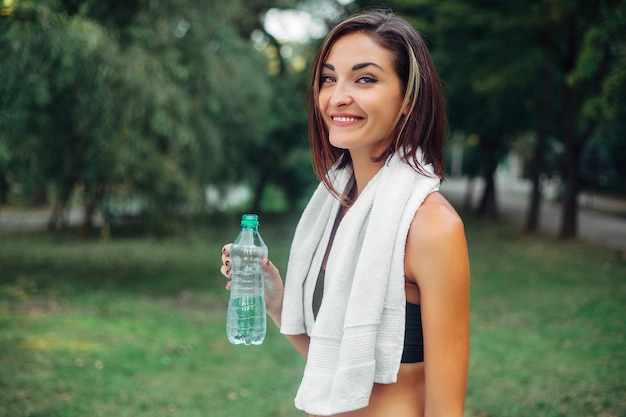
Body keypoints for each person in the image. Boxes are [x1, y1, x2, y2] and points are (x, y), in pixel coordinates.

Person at [220, 10, 469, 417]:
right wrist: (277, 301)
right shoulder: (338, 207)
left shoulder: (432, 226)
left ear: (408, 101)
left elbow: (447, 408)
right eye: (329, 78)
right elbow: (339, 365)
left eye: (365, 79)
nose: (337, 96)